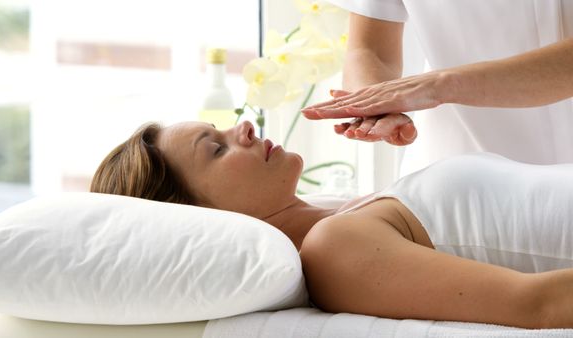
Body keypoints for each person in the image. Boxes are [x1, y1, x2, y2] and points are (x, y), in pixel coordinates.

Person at [90, 120, 573, 329]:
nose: (244, 129)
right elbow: (538, 304)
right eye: (216, 148)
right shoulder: (335, 250)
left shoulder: (347, 213)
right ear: (202, 218)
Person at [300, 1, 573, 177]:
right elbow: (370, 50)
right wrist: (378, 107)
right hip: (459, 166)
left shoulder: (440, 85)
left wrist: (441, 85)